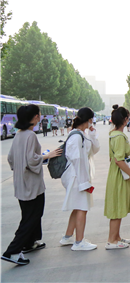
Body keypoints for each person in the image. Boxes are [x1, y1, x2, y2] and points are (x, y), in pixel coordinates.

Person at [2, 105, 61, 266]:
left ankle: (30, 243)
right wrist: (47, 155)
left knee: (29, 213)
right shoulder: (30, 136)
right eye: (39, 114)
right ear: (35, 117)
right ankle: (12, 251)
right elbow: (32, 160)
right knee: (32, 216)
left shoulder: (18, 134)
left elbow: (11, 159)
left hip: (21, 181)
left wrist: (20, 167)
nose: (40, 116)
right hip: (32, 183)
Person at [59, 107, 100, 251]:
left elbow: (94, 150)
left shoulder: (82, 134)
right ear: (89, 120)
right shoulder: (76, 136)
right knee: (82, 207)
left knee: (78, 207)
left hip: (79, 177)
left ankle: (68, 237)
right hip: (77, 177)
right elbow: (77, 160)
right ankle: (79, 242)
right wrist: (84, 182)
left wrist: (93, 134)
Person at [104, 105, 130, 250]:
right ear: (125, 119)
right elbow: (118, 160)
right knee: (117, 206)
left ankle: (116, 237)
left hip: (115, 173)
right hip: (119, 175)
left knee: (118, 204)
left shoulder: (113, 134)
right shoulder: (120, 137)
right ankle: (112, 240)